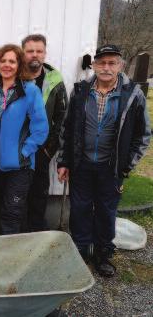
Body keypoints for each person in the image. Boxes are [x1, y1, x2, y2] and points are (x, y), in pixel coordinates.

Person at [57, 44, 150, 277]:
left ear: (120, 65)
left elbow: (143, 134)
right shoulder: (80, 91)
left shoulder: (133, 94)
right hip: (82, 164)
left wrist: (126, 165)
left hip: (112, 166)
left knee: (106, 211)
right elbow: (67, 129)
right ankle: (80, 250)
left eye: (112, 63)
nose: (106, 67)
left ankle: (102, 254)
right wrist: (64, 161)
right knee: (79, 209)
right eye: (102, 63)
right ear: (94, 65)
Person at [0, 44, 48, 235]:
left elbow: (41, 128)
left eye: (12, 61)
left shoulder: (30, 91)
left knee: (12, 214)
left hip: (20, 167)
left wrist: (25, 152)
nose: (7, 65)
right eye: (3, 61)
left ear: (19, 64)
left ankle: (11, 260)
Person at [22, 34, 68, 231]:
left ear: (44, 53)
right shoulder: (14, 76)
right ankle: (17, 235)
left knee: (38, 193)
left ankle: (36, 234)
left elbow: (62, 117)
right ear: (23, 53)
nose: (35, 55)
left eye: (39, 51)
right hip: (18, 148)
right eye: (30, 51)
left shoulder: (54, 79)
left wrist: (50, 149)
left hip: (42, 149)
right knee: (17, 192)